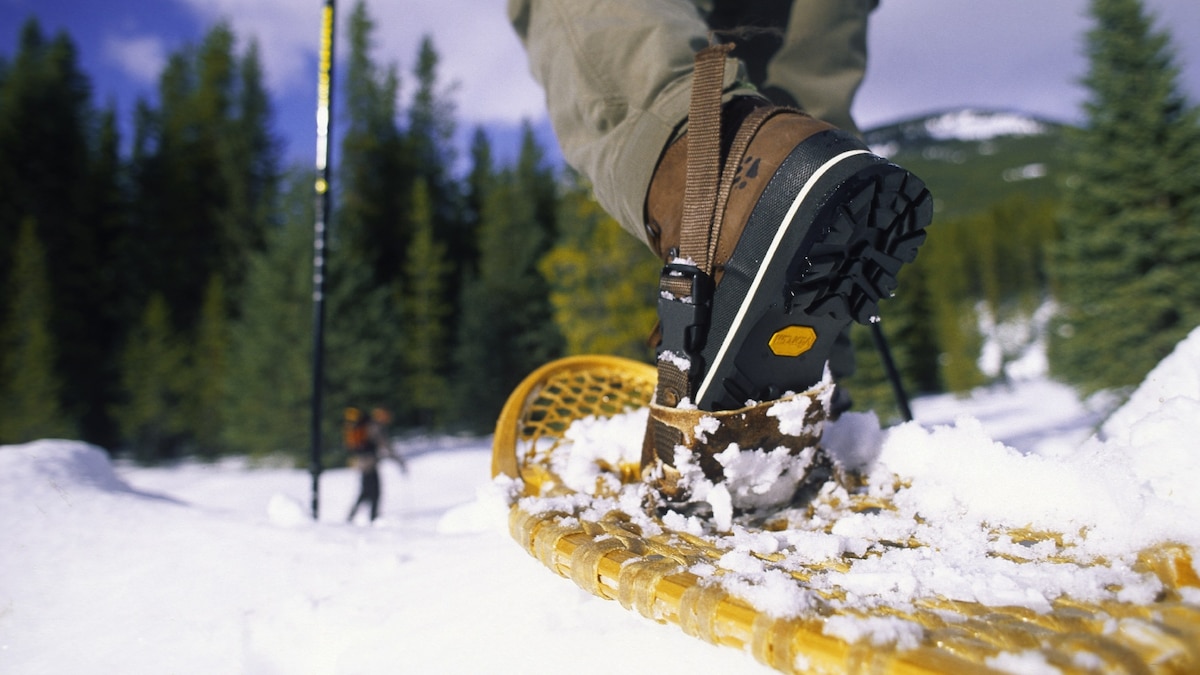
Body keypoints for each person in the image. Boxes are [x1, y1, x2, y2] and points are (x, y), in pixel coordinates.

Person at [508, 1, 933, 498]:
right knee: (802, 130)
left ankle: (718, 159)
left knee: (779, 159)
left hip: (732, 172)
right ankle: (804, 392)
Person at [345, 407, 406, 523]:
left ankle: (355, 517)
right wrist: (399, 461)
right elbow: (386, 446)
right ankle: (372, 519)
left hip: (363, 463)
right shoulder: (375, 427)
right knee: (374, 493)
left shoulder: (368, 426)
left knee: (366, 492)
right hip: (369, 464)